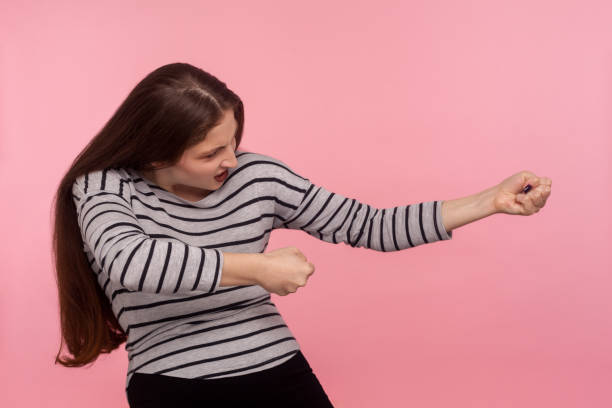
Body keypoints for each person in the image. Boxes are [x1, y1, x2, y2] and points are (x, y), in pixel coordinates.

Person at [51, 62, 552, 408]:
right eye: (210, 154)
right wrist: (257, 269)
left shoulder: (257, 176)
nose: (231, 161)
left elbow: (369, 225)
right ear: (156, 154)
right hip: (172, 383)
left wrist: (490, 201)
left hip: (277, 368)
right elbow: (132, 262)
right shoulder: (105, 187)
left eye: (234, 141)